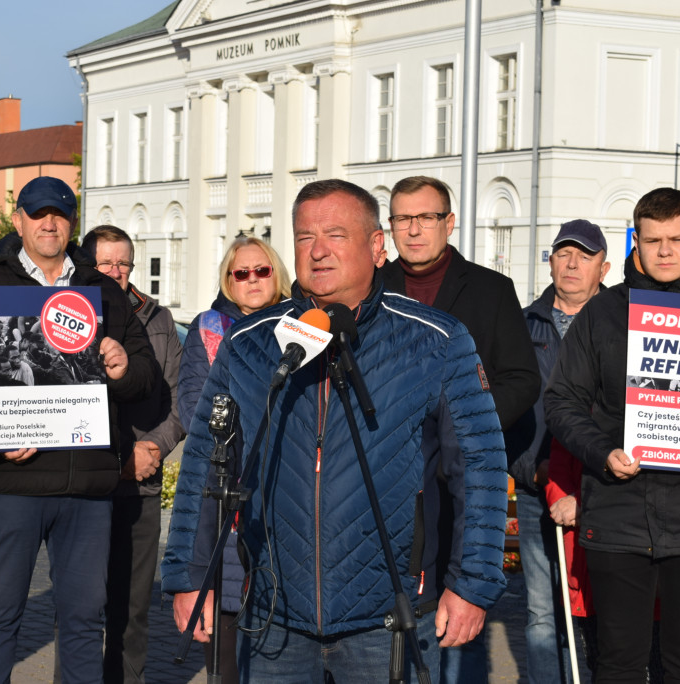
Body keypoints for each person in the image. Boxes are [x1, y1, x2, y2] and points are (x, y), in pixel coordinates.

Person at [162, 179, 508, 683]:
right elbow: (204, 464)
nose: (318, 250)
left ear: (376, 246)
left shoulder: (436, 339)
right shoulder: (249, 344)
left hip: (388, 618)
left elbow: (480, 468)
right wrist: (190, 577)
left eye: (335, 235)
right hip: (273, 616)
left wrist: (472, 584)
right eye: (305, 237)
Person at [0, 176, 159, 684]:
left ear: (72, 222)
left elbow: (146, 376)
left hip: (86, 485)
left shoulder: (103, 292)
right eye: (38, 213)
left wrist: (122, 368)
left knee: (84, 621)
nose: (49, 223)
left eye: (60, 214)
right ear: (18, 221)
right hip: (10, 482)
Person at [545, 187, 680, 682]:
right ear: (635, 241)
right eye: (653, 240)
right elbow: (561, 400)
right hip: (618, 515)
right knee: (618, 663)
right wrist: (602, 452)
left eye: (676, 239)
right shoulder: (603, 312)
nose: (664, 251)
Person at [381, 175, 540, 681]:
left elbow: (522, 378)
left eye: (426, 217)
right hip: (388, 480)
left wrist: (471, 425)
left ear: (449, 222)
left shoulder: (491, 290)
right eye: (403, 218)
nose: (414, 229)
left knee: (460, 621)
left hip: (460, 483)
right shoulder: (372, 286)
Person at [176, 236, 290, 683]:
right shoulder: (209, 329)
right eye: (241, 273)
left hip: (287, 491)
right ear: (228, 280)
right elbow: (195, 409)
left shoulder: (301, 325)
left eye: (262, 270)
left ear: (276, 273)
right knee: (226, 641)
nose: (252, 279)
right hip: (226, 492)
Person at [76, 225, 185, 684]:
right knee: (79, 608)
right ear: (88, 266)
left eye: (124, 264)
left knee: (134, 608)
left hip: (141, 481)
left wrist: (153, 447)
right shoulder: (68, 313)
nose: (116, 272)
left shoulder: (159, 320)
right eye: (106, 264)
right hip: (86, 483)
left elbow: (180, 399)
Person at [504, 219, 609, 684]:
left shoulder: (619, 322)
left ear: (603, 268)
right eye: (563, 253)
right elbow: (508, 413)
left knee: (604, 609)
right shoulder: (522, 325)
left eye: (584, 256)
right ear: (550, 262)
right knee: (543, 612)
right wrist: (533, 470)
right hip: (537, 488)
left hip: (605, 490)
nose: (571, 264)